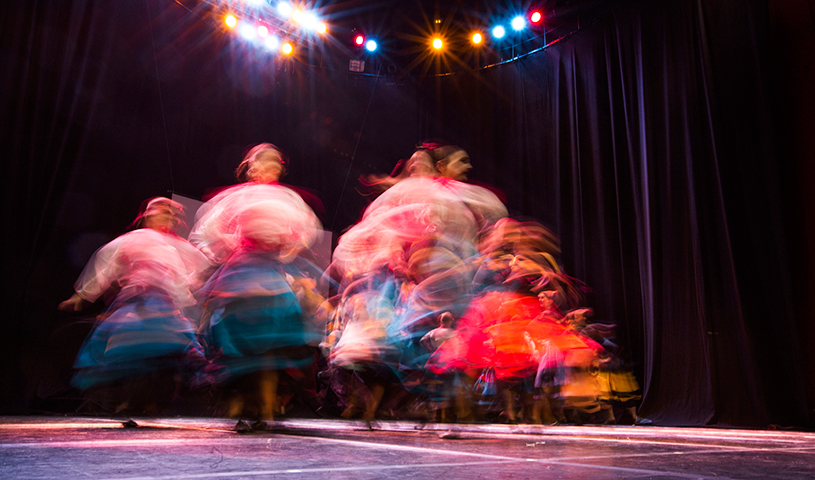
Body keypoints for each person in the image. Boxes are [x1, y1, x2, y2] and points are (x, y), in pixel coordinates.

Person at [190, 143, 326, 431]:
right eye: (263, 162)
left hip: (271, 273)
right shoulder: (235, 199)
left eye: (275, 162)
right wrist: (230, 249)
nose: (271, 166)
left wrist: (288, 251)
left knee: (271, 346)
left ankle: (265, 409)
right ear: (251, 167)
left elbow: (306, 230)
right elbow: (208, 232)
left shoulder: (288, 199)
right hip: (241, 271)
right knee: (242, 345)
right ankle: (247, 405)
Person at [59, 197, 210, 418]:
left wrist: (200, 295)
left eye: (171, 213)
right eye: (161, 211)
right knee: (133, 353)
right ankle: (131, 402)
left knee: (167, 356)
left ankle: (144, 402)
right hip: (137, 307)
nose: (166, 216)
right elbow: (104, 265)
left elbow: (198, 272)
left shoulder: (179, 246)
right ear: (147, 215)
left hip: (165, 310)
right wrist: (80, 296)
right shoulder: (133, 240)